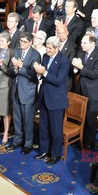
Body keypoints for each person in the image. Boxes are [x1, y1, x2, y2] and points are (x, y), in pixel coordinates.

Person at [34, 36, 69, 164]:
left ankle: (55, 154)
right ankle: (44, 151)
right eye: (47, 47)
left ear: (57, 48)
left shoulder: (64, 61)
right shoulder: (46, 57)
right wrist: (39, 73)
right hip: (44, 96)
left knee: (55, 129)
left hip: (56, 100)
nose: (47, 50)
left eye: (50, 48)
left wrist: (44, 73)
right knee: (43, 127)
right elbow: (43, 75)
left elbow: (58, 81)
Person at [7, 32, 41, 154]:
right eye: (21, 41)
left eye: (24, 42)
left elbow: (33, 75)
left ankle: (28, 144)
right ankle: (17, 141)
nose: (21, 43)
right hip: (16, 89)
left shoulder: (35, 55)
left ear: (31, 42)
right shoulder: (16, 51)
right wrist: (15, 68)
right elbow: (10, 69)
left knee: (27, 120)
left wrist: (20, 67)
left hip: (28, 92)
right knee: (17, 118)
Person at [72, 33, 98, 149]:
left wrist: (80, 67)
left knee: (90, 120)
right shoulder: (81, 52)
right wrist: (76, 68)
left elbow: (94, 74)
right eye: (81, 42)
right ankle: (80, 139)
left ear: (92, 44)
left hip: (93, 93)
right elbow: (76, 70)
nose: (82, 45)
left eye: (84, 43)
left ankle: (89, 144)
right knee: (81, 117)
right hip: (81, 89)